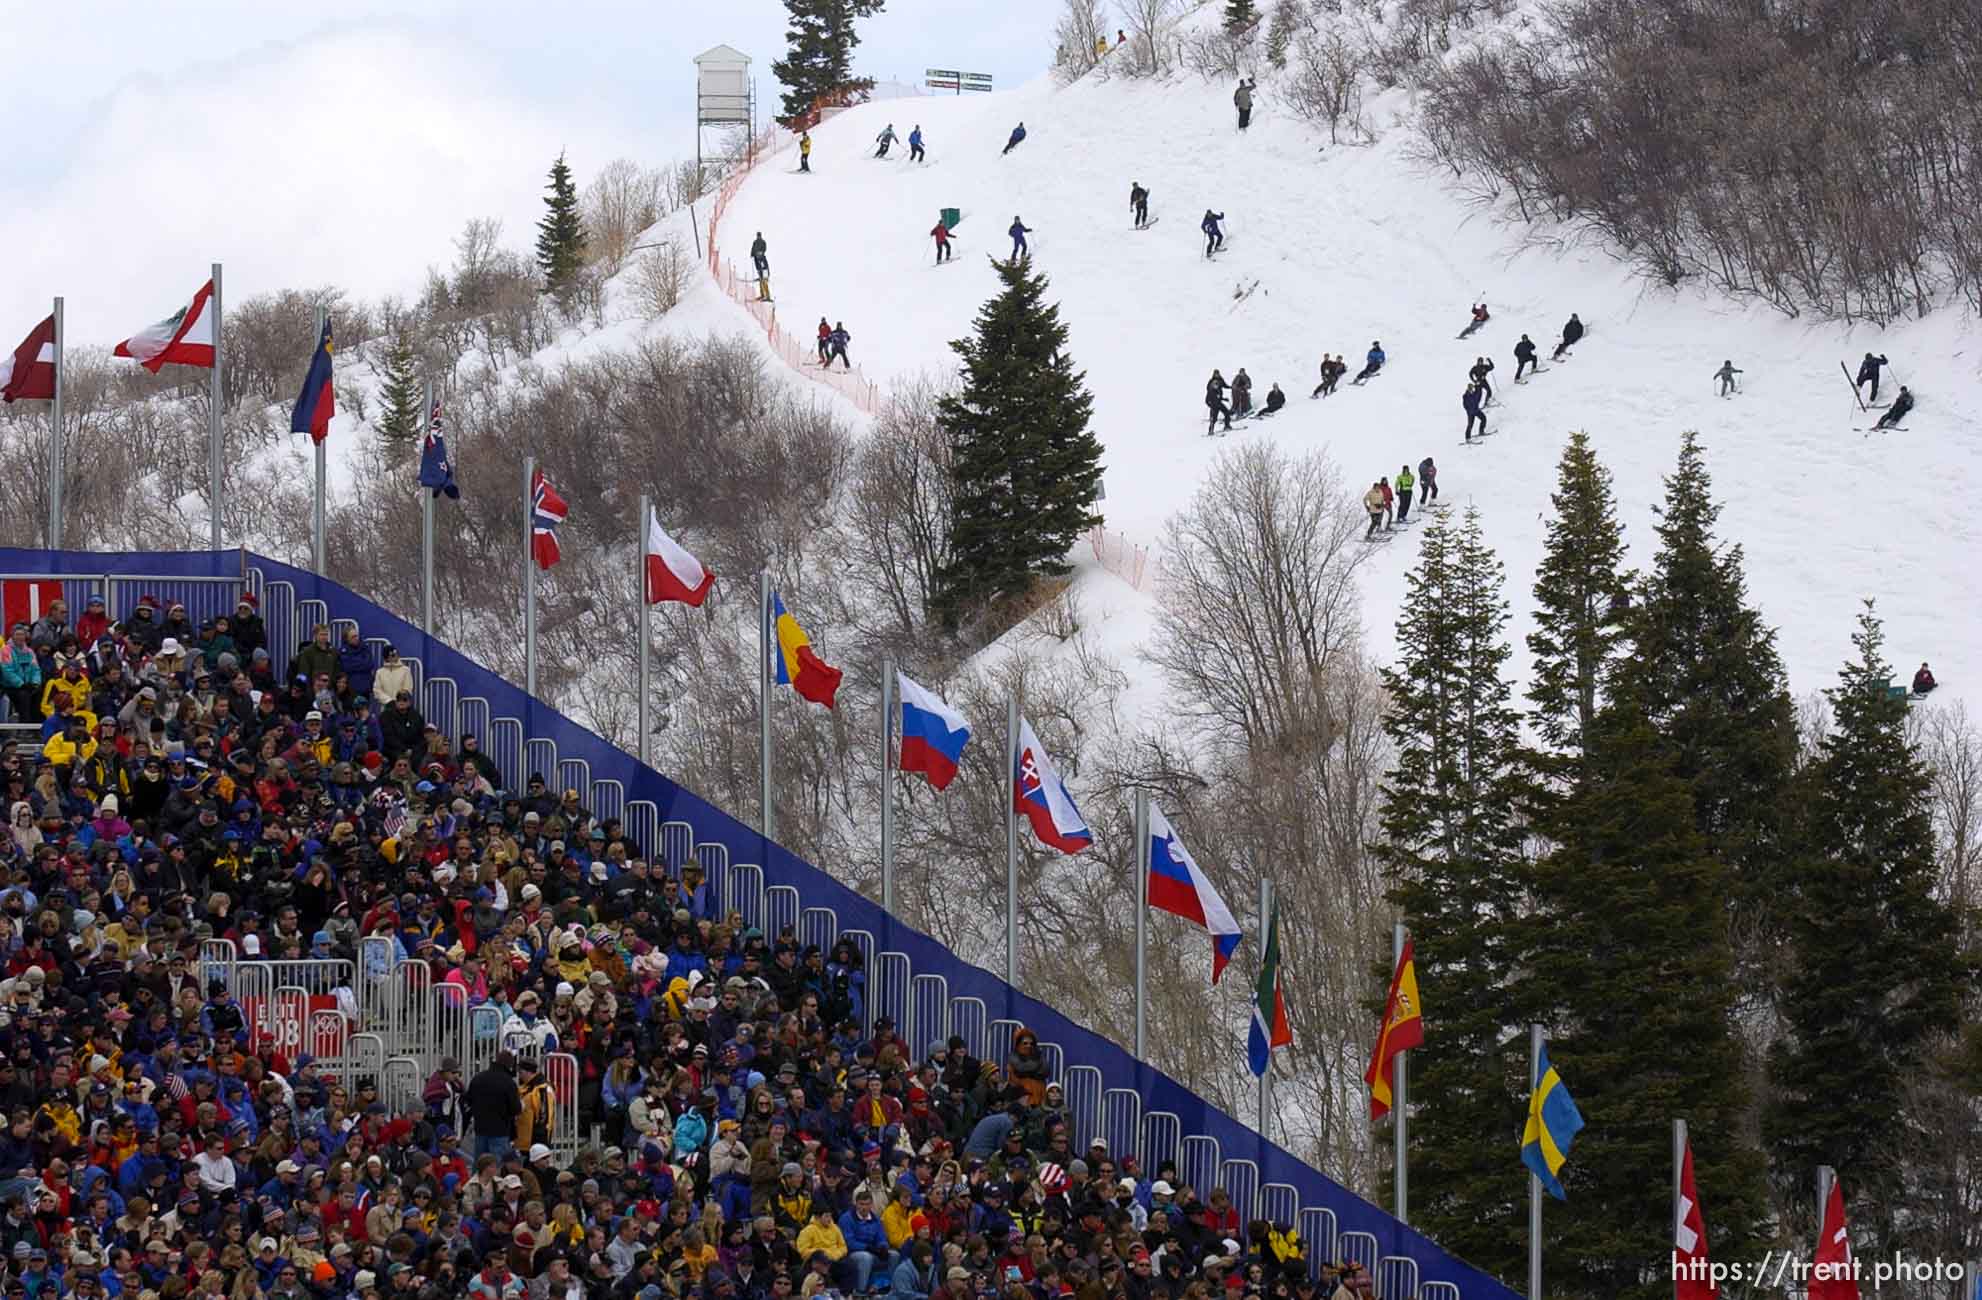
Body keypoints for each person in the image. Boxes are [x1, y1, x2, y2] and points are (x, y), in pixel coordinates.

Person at [1205, 371, 1232, 435]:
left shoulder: (1219, 388)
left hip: (1219, 404)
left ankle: (1227, 426)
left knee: (1227, 413)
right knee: (1214, 419)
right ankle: (1210, 431)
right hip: (1214, 406)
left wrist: (1224, 399)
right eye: (1215, 385)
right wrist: (1211, 405)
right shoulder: (1210, 391)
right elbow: (1207, 400)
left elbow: (1219, 397)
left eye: (1217, 385)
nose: (1217, 386)